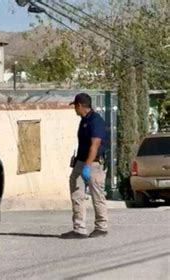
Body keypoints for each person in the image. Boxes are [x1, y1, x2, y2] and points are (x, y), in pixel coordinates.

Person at [61, 93, 108, 239]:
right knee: (76, 193)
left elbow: (95, 145)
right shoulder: (84, 120)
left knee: (97, 195)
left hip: (93, 163)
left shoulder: (95, 120)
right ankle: (79, 228)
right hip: (80, 162)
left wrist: (87, 166)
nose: (74, 109)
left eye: (75, 106)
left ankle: (101, 227)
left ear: (80, 105)